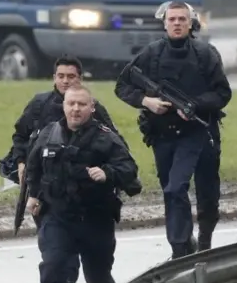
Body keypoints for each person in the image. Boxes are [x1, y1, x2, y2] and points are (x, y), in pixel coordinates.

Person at [115, 1, 232, 258]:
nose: (177, 23)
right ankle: (181, 248)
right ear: (164, 22)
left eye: (182, 19)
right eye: (172, 19)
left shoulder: (205, 54)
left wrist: (194, 106)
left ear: (190, 23)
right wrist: (147, 101)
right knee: (171, 190)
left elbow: (223, 93)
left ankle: (202, 243)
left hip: (200, 133)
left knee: (204, 191)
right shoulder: (151, 53)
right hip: (163, 135)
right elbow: (123, 85)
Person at [25, 84, 139, 283]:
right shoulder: (49, 133)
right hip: (58, 217)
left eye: (81, 104)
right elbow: (33, 166)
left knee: (99, 280)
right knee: (53, 269)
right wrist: (33, 196)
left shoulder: (106, 137)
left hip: (95, 220)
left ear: (92, 107)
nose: (75, 109)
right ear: (63, 106)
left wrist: (107, 172)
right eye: (71, 104)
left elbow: (130, 170)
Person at [8, 54, 141, 197]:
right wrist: (20, 162)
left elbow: (117, 143)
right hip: (47, 178)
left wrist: (107, 173)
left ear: (80, 79)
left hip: (84, 183)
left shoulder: (92, 107)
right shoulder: (39, 105)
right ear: (54, 78)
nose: (65, 81)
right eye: (61, 76)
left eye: (71, 76)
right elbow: (20, 136)